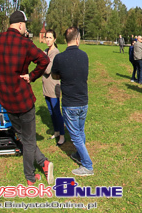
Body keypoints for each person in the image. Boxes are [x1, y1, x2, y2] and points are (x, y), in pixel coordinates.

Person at [0, 10, 53, 185]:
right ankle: (30, 177)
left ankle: (43, 163)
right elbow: (44, 60)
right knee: (28, 139)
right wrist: (31, 76)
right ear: (21, 25)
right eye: (26, 25)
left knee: (23, 136)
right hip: (23, 99)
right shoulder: (24, 43)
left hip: (6, 99)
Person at [52, 27, 93, 176]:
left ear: (66, 40)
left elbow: (54, 76)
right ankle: (78, 154)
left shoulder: (59, 58)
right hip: (83, 101)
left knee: (75, 134)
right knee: (80, 130)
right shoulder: (84, 56)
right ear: (77, 39)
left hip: (70, 103)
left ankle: (87, 165)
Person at [41, 29, 65, 146]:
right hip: (46, 86)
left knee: (56, 111)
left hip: (53, 86)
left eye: (50, 37)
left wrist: (41, 63)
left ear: (54, 39)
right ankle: (56, 131)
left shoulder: (55, 53)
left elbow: (47, 69)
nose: (48, 40)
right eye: (46, 37)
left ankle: (62, 134)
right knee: (51, 111)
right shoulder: (45, 51)